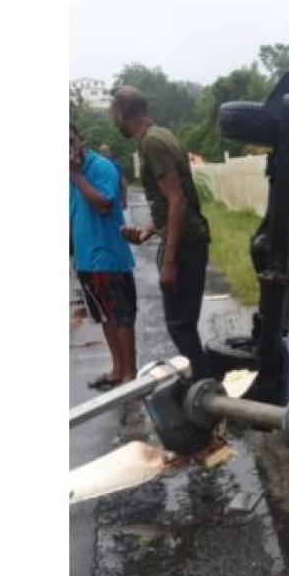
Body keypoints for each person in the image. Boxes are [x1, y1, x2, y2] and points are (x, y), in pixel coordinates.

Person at [110, 85, 212, 381]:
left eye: (112, 114)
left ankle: (204, 389)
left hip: (185, 245)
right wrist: (147, 232)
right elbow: (170, 201)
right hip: (187, 240)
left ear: (121, 113)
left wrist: (168, 262)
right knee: (185, 325)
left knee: (180, 325)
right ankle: (203, 385)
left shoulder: (153, 143)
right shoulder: (160, 135)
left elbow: (178, 200)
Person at [70, 124, 138, 390]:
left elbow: (103, 205)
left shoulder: (100, 168)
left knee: (121, 317)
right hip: (86, 259)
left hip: (108, 256)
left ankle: (131, 377)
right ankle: (117, 371)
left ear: (81, 139)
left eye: (70, 140)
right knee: (105, 316)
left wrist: (74, 174)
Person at [97, 143, 128, 210]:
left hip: (102, 200)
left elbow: (123, 182)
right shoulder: (116, 165)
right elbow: (123, 182)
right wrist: (124, 200)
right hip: (114, 199)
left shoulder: (96, 166)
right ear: (109, 153)